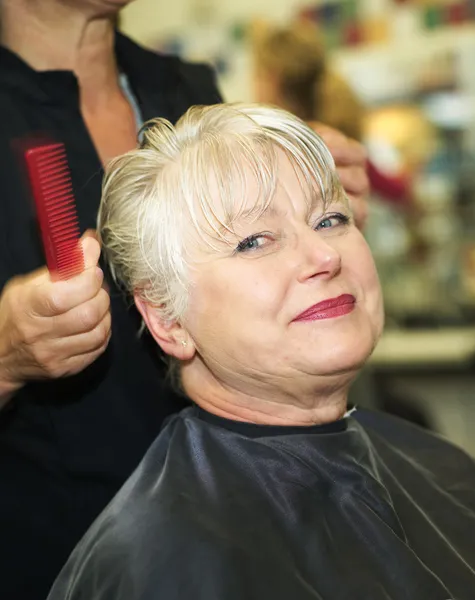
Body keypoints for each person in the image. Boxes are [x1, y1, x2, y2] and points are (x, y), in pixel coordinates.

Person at [48, 103, 475, 600]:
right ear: (167, 319)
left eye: (329, 219)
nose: (322, 255)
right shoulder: (154, 561)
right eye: (253, 241)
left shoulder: (443, 471)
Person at [0, 2, 369, 598]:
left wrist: (317, 218)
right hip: (63, 561)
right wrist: (4, 355)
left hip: (246, 538)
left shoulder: (184, 89)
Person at [253, 21, 412, 211]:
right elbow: (393, 189)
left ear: (272, 78)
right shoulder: (332, 135)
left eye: (257, 75)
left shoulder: (283, 147)